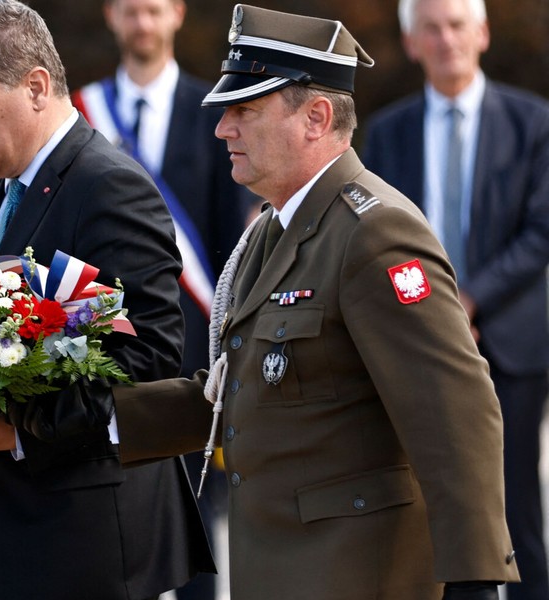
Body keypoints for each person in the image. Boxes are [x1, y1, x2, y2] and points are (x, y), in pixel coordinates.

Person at [111, 5, 520, 599]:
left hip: (359, 574)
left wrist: (474, 578)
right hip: (288, 571)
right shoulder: (271, 232)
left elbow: (456, 414)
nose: (224, 128)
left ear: (316, 117)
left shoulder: (374, 234)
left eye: (244, 110)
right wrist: (85, 422)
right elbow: (238, 393)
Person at [0, 1, 213, 599]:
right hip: (12, 533)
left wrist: (19, 431)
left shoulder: (110, 186)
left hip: (84, 541)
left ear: (36, 86)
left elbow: (148, 361)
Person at [361, 1, 549, 597]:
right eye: (431, 30)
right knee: (425, 504)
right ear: (411, 43)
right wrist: (433, 309)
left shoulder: (534, 123)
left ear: (483, 33)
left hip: (510, 339)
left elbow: (541, 231)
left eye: (457, 26)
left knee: (515, 506)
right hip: (414, 340)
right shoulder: (388, 131)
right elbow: (377, 233)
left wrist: (468, 301)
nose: (446, 40)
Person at [72, 2, 253, 596]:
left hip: (195, 346)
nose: (142, 22)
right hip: (108, 344)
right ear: (111, 16)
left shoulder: (217, 111)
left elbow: (231, 236)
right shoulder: (82, 114)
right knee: (119, 531)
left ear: (176, 14)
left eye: (153, 8)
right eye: (130, 10)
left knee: (198, 530)